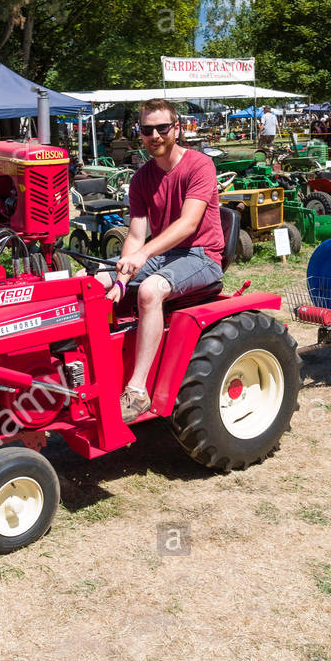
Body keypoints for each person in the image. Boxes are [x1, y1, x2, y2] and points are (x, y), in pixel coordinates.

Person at [99, 98, 225, 423]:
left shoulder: (199, 165)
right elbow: (136, 235)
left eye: (161, 128)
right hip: (166, 254)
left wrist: (141, 258)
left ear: (176, 129)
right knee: (98, 280)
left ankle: (137, 391)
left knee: (150, 290)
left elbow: (188, 224)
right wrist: (121, 278)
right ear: (139, 133)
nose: (154, 135)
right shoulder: (141, 179)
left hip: (202, 254)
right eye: (147, 129)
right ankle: (97, 377)